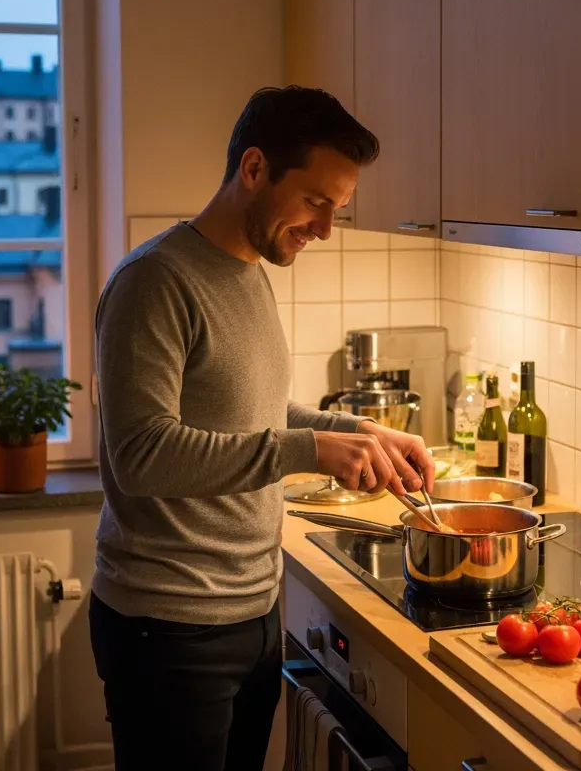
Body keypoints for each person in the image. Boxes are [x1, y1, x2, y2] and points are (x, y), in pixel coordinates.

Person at [89, 85, 436, 770]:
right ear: (253, 168)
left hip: (249, 610)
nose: (325, 228)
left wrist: (360, 432)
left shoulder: (248, 271)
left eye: (337, 208)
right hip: (168, 627)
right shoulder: (153, 282)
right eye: (315, 201)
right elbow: (142, 453)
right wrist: (311, 450)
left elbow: (253, 412)